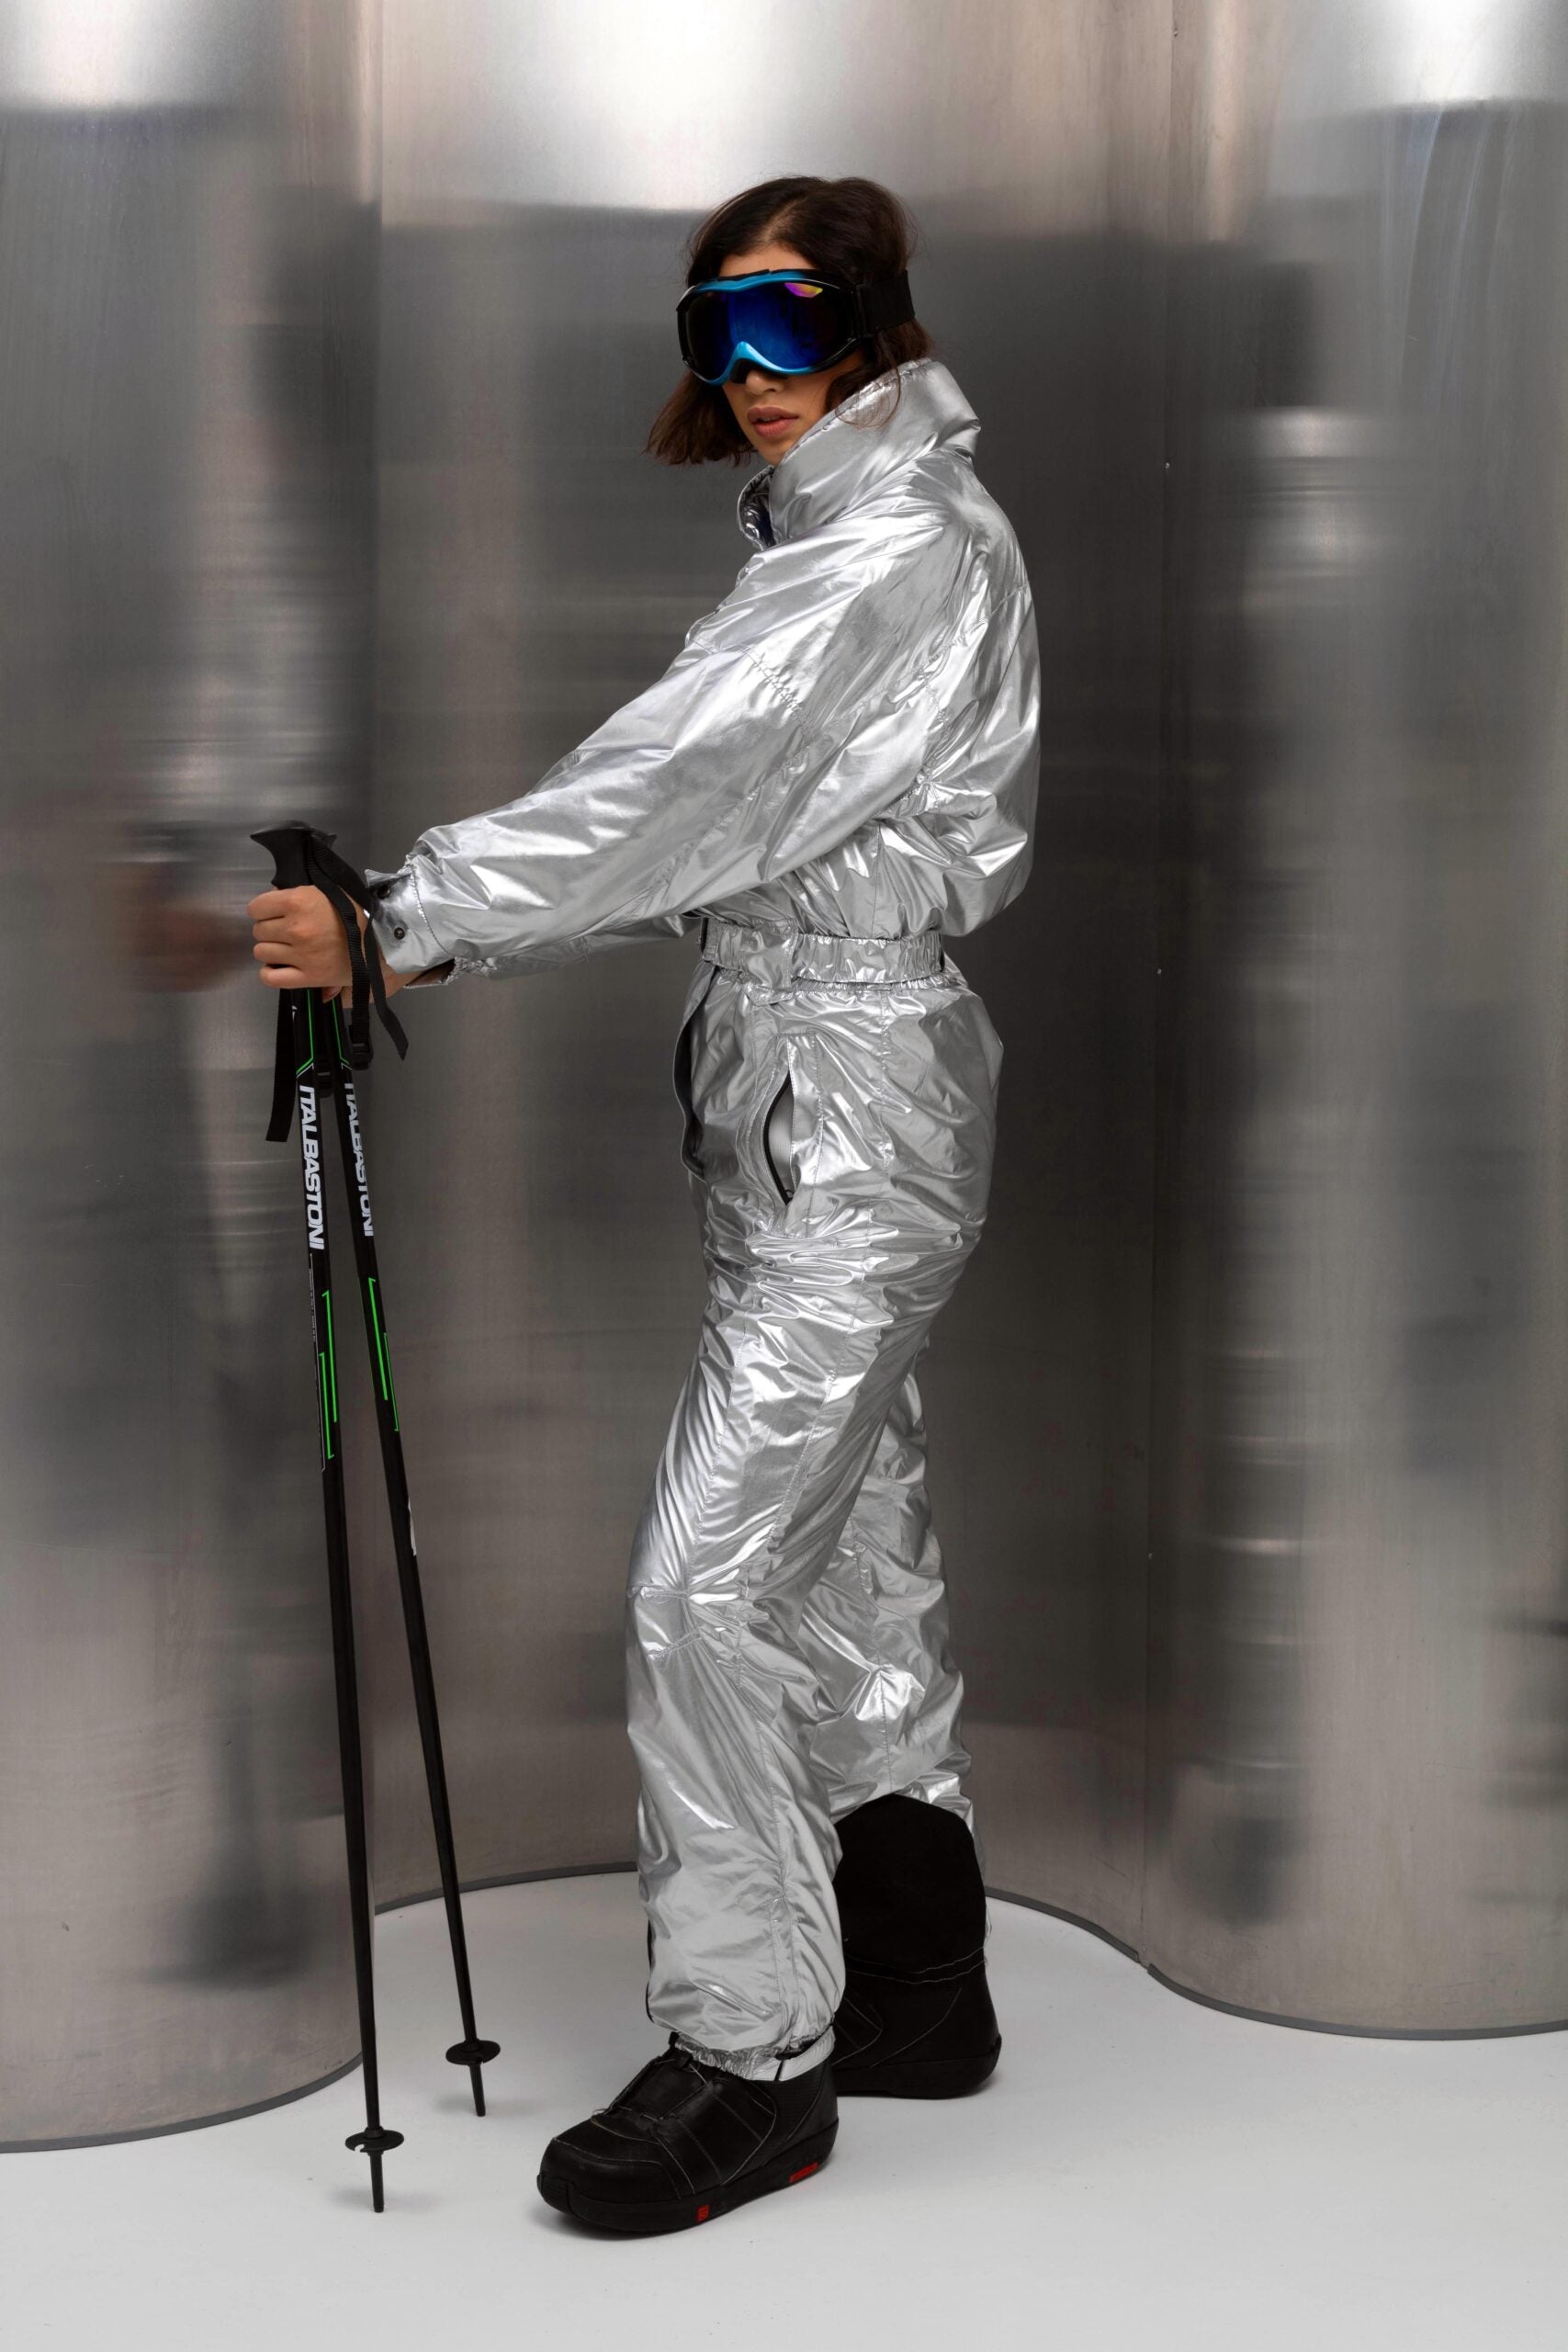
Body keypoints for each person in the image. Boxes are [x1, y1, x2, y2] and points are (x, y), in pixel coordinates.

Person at [248, 174, 1040, 2234]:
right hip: (795, 1087)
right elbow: (724, 824)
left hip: (852, 1104)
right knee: (849, 1543)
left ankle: (754, 2054)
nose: (752, 371)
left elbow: (680, 784)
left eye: (791, 323)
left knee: (708, 1585)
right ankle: (919, 1974)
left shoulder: (889, 550)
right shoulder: (836, 529)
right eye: (716, 330)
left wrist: (403, 916)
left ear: (872, 321)